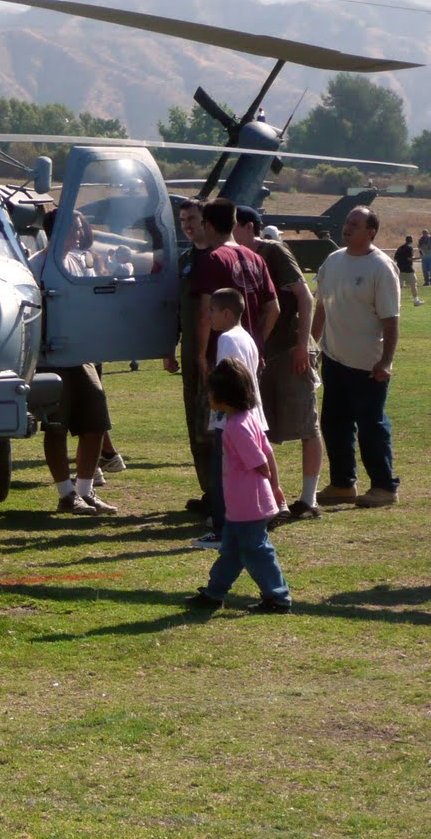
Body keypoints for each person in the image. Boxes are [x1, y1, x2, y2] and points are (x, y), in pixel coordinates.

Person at [233, 207, 323, 523]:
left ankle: (309, 499)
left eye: (232, 226)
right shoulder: (233, 256)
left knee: (306, 422)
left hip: (288, 349)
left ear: (248, 227)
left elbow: (305, 297)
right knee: (259, 426)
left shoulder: (273, 251)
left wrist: (303, 345)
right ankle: (270, 498)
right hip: (258, 352)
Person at [185, 359, 292, 614]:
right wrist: (275, 487)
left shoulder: (235, 427)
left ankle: (278, 597)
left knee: (257, 550)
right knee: (231, 551)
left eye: (211, 392)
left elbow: (259, 461)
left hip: (248, 505)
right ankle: (214, 592)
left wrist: (269, 483)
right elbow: (268, 454)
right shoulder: (249, 418)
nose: (209, 396)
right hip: (241, 505)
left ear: (224, 396)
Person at [29, 210, 117, 516]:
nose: (80, 234)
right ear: (56, 232)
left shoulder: (80, 262)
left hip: (82, 355)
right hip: (50, 358)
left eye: (80, 229)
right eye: (75, 229)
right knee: (57, 426)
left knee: (95, 421)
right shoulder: (35, 266)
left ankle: (85, 491)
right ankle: (66, 494)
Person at [313, 207, 401, 508]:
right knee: (333, 424)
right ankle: (342, 484)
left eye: (355, 224)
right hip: (334, 359)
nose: (347, 227)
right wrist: (313, 346)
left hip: (367, 364)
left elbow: (391, 320)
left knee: (371, 426)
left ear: (370, 232)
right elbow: (321, 307)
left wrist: (385, 361)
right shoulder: (333, 260)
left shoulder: (381, 267)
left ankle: (384, 487)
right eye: (347, 222)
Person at [191, 288, 274, 551]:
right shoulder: (246, 336)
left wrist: (219, 415)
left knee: (224, 476)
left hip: (232, 418)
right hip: (251, 415)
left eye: (213, 311)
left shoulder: (227, 339)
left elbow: (229, 381)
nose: (209, 316)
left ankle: (222, 531)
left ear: (227, 313)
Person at [163, 199, 213, 513]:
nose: (188, 225)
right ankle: (209, 490)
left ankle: (223, 493)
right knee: (195, 422)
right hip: (190, 353)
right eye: (183, 220)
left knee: (214, 424)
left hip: (215, 355)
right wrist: (170, 347)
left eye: (192, 219)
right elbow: (176, 309)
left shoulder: (218, 258)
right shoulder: (184, 260)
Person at [393, 235, 422, 307]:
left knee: (399, 287)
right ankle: (416, 301)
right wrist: (419, 257)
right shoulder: (410, 248)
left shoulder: (399, 248)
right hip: (408, 270)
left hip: (400, 269)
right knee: (413, 285)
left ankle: (397, 303)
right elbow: (410, 258)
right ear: (411, 241)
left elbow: (395, 259)